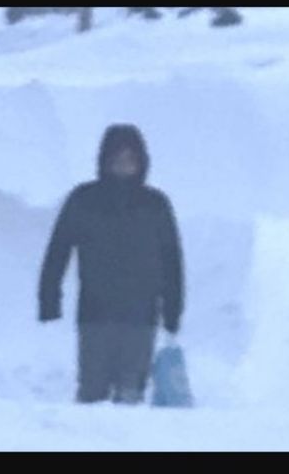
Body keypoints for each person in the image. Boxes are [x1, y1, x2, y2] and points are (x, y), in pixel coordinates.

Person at [38, 123, 185, 404]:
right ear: (104, 161)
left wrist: (173, 309)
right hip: (95, 315)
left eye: (130, 160)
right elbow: (58, 249)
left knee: (131, 394)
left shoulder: (155, 205)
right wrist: (49, 299)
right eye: (117, 159)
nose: (123, 165)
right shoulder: (84, 200)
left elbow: (172, 261)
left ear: (141, 162)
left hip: (141, 317)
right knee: (92, 393)